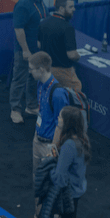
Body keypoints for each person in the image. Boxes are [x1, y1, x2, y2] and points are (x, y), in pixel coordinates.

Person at [50, 106, 89, 218]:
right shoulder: (81, 139)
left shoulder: (69, 146)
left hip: (66, 193)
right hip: (75, 191)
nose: (58, 119)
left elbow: (59, 175)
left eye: (60, 117)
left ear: (67, 122)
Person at [10, 0, 49, 123]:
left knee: (34, 79)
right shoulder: (23, 4)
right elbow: (19, 30)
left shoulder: (40, 2)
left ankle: (31, 106)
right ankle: (15, 110)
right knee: (19, 80)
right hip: (24, 51)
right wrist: (25, 50)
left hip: (37, 50)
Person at [28, 51, 70, 182]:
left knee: (50, 182)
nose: (30, 72)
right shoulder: (40, 84)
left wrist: (53, 149)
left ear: (41, 69)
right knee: (37, 178)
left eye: (31, 69)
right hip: (37, 139)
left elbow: (62, 125)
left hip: (50, 145)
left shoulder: (58, 94)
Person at [38, 0, 82, 91]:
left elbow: (38, 44)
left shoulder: (43, 22)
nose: (74, 9)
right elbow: (72, 55)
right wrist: (78, 56)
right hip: (62, 71)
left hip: (45, 68)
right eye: (70, 7)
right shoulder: (67, 28)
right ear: (61, 9)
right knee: (77, 89)